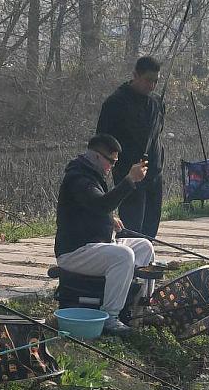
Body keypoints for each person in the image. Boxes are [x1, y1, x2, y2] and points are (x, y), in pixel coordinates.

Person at [55, 133, 153, 336]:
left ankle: (142, 305)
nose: (112, 167)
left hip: (96, 245)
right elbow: (101, 204)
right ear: (97, 156)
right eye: (111, 161)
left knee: (144, 246)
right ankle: (110, 317)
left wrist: (110, 219)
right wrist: (129, 180)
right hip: (76, 252)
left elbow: (97, 207)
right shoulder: (79, 178)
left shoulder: (93, 175)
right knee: (124, 255)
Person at [96, 55, 164, 239]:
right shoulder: (115, 103)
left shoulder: (157, 102)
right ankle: (130, 264)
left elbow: (158, 132)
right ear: (135, 75)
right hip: (129, 175)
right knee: (132, 229)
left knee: (150, 230)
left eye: (156, 81)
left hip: (154, 173)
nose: (151, 86)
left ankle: (147, 264)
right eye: (148, 80)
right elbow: (102, 141)